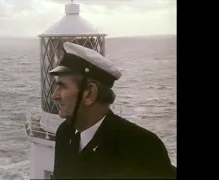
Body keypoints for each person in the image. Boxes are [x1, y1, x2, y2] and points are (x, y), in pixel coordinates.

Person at [49, 42, 176, 179]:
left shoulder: (142, 146)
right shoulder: (65, 133)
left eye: (62, 86)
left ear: (89, 94)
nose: (54, 96)